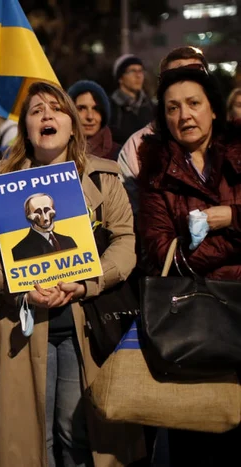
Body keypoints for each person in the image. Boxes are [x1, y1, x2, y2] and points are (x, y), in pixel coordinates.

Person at [0, 81, 145, 467]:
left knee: (76, 434)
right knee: (32, 441)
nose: (46, 114)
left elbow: (126, 241)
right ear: (27, 129)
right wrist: (19, 291)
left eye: (56, 108)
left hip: (86, 327)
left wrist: (86, 284)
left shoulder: (103, 177)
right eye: (36, 110)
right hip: (20, 325)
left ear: (72, 123)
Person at [138, 66, 241, 466]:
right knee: (196, 446)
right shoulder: (156, 175)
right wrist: (234, 241)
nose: (185, 116)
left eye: (194, 104)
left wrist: (227, 217)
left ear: (213, 108)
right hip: (195, 326)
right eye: (173, 108)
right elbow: (161, 251)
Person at [117, 46, 208, 216]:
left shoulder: (232, 142)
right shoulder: (137, 147)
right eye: (175, 79)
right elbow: (132, 216)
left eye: (195, 77)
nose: (186, 86)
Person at [11, 193, 78, 260]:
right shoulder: (20, 251)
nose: (45, 218)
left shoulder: (68, 241)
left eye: (47, 210)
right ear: (29, 216)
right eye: (38, 212)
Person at [67, 80, 121, 160]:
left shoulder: (118, 154)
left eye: (96, 109)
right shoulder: (56, 153)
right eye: (81, 108)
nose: (90, 116)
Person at [109, 54, 156, 145]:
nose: (138, 76)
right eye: (132, 71)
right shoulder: (111, 107)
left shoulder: (151, 107)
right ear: (120, 78)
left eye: (140, 71)